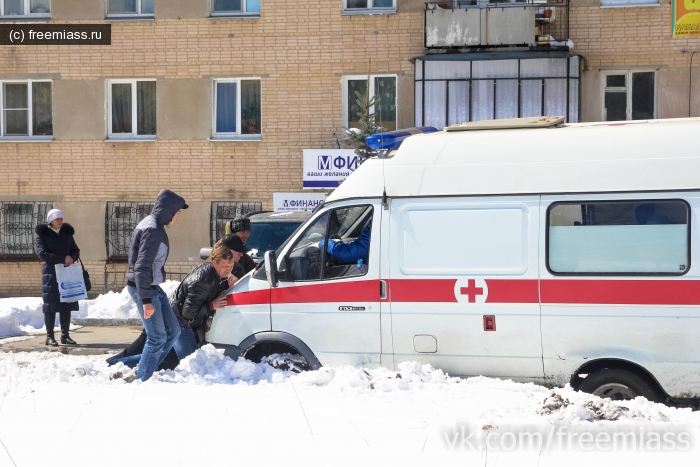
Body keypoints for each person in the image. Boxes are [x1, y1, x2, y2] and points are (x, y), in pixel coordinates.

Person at [108, 244, 239, 370]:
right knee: (190, 360)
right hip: (180, 321)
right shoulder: (204, 280)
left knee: (166, 358)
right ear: (215, 263)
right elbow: (188, 312)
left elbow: (206, 294)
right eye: (225, 266)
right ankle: (117, 364)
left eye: (231, 265)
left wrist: (225, 285)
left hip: (178, 318)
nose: (229, 269)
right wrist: (212, 305)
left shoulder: (212, 274)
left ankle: (118, 364)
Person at [125, 189, 187, 381]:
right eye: (177, 212)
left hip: (152, 287)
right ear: (169, 211)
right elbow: (142, 266)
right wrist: (145, 300)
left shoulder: (155, 226)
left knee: (173, 331)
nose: (177, 217)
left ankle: (147, 366)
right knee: (157, 337)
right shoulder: (152, 230)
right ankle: (142, 379)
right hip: (143, 288)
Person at [35, 209, 81, 347]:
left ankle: (65, 335)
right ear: (51, 221)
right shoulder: (43, 235)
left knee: (66, 304)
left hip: (66, 272)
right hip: (51, 274)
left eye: (61, 218)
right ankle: (49, 336)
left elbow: (75, 250)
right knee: (50, 306)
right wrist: (62, 258)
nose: (60, 221)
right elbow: (42, 254)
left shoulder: (67, 234)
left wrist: (72, 258)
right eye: (57, 219)